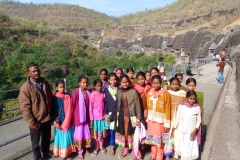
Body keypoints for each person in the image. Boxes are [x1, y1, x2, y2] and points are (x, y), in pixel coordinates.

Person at [18, 63, 52, 160]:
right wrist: (32, 122)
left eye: (38, 70)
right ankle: (37, 157)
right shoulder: (25, 88)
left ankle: (45, 152)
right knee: (35, 142)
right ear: (29, 73)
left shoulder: (45, 83)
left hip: (46, 117)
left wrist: (52, 115)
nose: (36, 73)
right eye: (33, 71)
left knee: (46, 138)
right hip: (35, 119)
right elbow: (25, 107)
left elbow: (50, 97)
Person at [115, 74, 143, 159]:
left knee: (134, 135)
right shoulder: (119, 92)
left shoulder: (134, 92)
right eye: (123, 82)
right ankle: (125, 150)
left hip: (132, 117)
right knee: (125, 135)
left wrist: (139, 119)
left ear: (129, 82)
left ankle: (136, 151)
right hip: (122, 117)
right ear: (120, 83)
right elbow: (117, 105)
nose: (125, 84)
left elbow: (138, 106)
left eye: (126, 82)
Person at [145, 75, 171, 160]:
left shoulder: (165, 94)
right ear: (151, 83)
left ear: (161, 83)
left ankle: (159, 157)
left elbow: (168, 109)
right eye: (154, 83)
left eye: (158, 83)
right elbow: (148, 107)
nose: (156, 85)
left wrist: (167, 124)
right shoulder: (149, 93)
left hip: (161, 122)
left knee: (160, 141)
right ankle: (153, 156)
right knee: (153, 140)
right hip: (151, 121)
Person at [173, 91, 201, 160]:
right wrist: (174, 127)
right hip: (181, 131)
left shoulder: (197, 108)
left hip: (190, 132)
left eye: (194, 99)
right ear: (186, 98)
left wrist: (195, 131)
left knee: (188, 150)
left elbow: (199, 121)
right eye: (190, 98)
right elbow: (177, 118)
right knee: (181, 148)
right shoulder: (181, 106)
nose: (192, 101)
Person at [52, 80, 75, 159]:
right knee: (60, 138)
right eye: (60, 87)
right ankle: (61, 153)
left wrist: (71, 120)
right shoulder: (54, 97)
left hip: (67, 120)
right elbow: (53, 110)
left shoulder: (68, 96)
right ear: (56, 88)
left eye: (63, 87)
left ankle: (68, 152)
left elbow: (71, 110)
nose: (62, 89)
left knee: (67, 137)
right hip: (59, 121)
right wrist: (54, 121)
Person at [71, 76, 91, 160]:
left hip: (86, 118)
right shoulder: (76, 93)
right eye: (83, 82)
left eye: (86, 82)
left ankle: (85, 148)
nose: (85, 84)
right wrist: (73, 120)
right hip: (79, 118)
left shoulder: (88, 92)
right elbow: (73, 107)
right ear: (79, 83)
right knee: (79, 135)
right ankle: (80, 151)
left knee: (85, 133)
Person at [133, 71, 152, 158]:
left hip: (146, 112)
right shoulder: (134, 89)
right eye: (139, 79)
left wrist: (147, 109)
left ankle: (143, 147)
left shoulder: (149, 88)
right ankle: (137, 150)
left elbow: (150, 101)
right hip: (137, 112)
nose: (141, 81)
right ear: (137, 80)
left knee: (145, 130)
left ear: (145, 79)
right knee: (137, 131)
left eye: (142, 79)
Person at [89, 79, 107, 156]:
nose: (99, 87)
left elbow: (105, 105)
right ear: (94, 86)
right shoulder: (92, 95)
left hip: (102, 117)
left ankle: (101, 146)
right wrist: (91, 119)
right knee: (96, 134)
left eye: (100, 86)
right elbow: (90, 107)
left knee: (101, 134)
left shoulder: (103, 94)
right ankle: (97, 147)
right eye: (97, 86)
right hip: (96, 118)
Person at [104, 72, 118, 156]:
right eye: (111, 80)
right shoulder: (106, 90)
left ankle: (121, 145)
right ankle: (112, 146)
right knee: (111, 131)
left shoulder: (119, 89)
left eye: (115, 79)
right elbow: (105, 103)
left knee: (119, 131)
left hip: (119, 113)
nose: (113, 81)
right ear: (109, 80)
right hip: (110, 113)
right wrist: (105, 113)